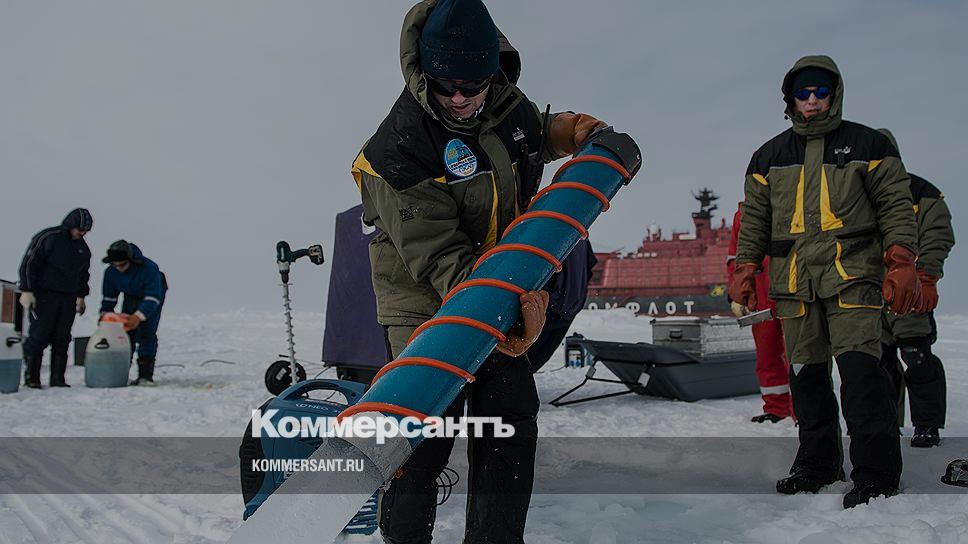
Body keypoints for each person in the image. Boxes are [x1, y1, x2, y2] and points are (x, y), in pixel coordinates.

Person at [352, 0, 605, 541]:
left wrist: (569, 131)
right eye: (445, 86)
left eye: (473, 85)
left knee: (509, 422)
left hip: (499, 287)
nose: (459, 98)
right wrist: (503, 313)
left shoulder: (505, 104)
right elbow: (440, 257)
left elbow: (531, 133)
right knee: (420, 437)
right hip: (425, 304)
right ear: (425, 72)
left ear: (493, 74)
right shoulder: (396, 149)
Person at [730, 55, 922, 509]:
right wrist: (744, 268)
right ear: (790, 99)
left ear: (834, 94)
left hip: (852, 277)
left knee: (862, 375)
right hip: (794, 283)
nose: (812, 100)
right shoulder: (768, 157)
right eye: (803, 92)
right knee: (807, 379)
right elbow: (755, 219)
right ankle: (817, 465)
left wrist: (901, 261)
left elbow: (896, 206)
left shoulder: (870, 145)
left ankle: (876, 474)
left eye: (820, 91)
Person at [877, 128, 955, 448]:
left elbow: (938, 237)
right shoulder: (857, 197)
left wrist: (926, 277)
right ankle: (885, 423)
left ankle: (926, 424)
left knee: (917, 356)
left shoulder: (923, 194)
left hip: (910, 291)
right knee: (879, 362)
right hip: (871, 295)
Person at [727, 202, 793, 423]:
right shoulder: (743, 214)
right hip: (760, 294)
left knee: (798, 354)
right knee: (766, 353)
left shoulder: (792, 200)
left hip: (791, 289)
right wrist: (736, 291)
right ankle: (776, 407)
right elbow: (733, 258)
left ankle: (803, 410)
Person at [17, 208, 93, 388]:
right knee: (39, 336)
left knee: (62, 338)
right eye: (80, 229)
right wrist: (27, 290)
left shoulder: (82, 249)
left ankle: (58, 379)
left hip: (68, 297)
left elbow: (83, 274)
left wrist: (81, 296)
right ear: (71, 225)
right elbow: (29, 264)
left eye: (85, 231)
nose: (82, 234)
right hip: (44, 295)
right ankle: (32, 378)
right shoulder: (48, 238)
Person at [99, 240, 167, 386]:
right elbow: (109, 297)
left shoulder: (149, 268)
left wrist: (138, 316)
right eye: (115, 265)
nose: (119, 268)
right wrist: (105, 315)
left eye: (122, 264)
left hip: (152, 295)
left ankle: (145, 374)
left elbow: (153, 297)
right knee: (126, 332)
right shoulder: (110, 273)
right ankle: (121, 371)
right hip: (130, 296)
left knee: (146, 332)